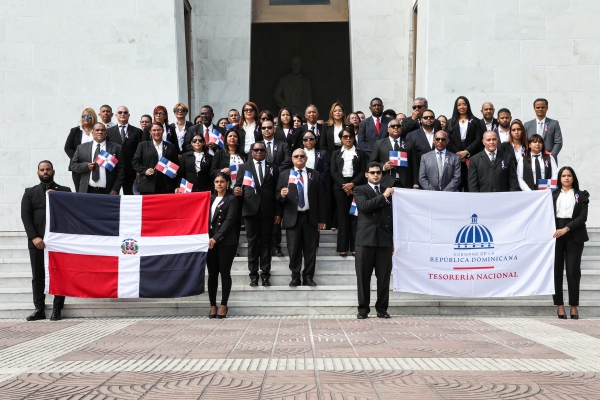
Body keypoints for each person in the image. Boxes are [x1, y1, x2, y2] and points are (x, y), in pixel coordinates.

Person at [21, 161, 71, 321]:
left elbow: (70, 214)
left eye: (48, 169)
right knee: (38, 275)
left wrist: (56, 197)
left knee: (59, 275)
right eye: (42, 170)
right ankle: (39, 309)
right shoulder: (30, 192)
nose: (45, 172)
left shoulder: (64, 191)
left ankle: (57, 309)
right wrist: (34, 237)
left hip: (59, 242)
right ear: (38, 173)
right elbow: (26, 216)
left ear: (53, 171)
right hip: (38, 241)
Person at [234, 142, 281, 287]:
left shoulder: (273, 168)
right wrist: (236, 190)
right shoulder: (244, 167)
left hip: (268, 211)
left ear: (265, 152)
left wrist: (278, 212)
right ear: (251, 152)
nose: (259, 152)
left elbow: (277, 191)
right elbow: (238, 186)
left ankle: (265, 274)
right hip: (250, 210)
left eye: (262, 150)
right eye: (256, 150)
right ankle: (253, 274)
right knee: (252, 243)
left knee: (266, 243)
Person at [277, 149, 326, 286]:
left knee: (310, 249)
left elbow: (321, 198)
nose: (299, 158)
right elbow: (277, 197)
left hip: (310, 217)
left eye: (302, 156)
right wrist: (281, 195)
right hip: (293, 217)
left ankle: (308, 277)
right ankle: (295, 276)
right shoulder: (285, 174)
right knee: (293, 249)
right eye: (296, 156)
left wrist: (322, 219)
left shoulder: (314, 174)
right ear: (292, 159)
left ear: (306, 159)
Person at [354, 162, 394, 319]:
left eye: (378, 172)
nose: (376, 175)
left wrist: (393, 240)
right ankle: (363, 309)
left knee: (384, 277)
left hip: (384, 240)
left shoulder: (388, 190)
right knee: (363, 277)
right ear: (366, 174)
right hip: (365, 240)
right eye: (372, 172)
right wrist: (383, 197)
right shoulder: (360, 189)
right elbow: (364, 206)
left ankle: (382, 308)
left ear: (382, 174)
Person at [553, 167, 589, 320]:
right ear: (559, 178)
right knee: (556, 271)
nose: (566, 178)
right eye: (563, 176)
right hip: (555, 234)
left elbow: (582, 217)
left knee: (573, 270)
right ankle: (560, 306)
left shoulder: (581, 195)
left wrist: (566, 229)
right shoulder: (552, 195)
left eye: (569, 176)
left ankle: (574, 306)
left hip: (574, 233)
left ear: (573, 178)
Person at [207, 172, 239, 319]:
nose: (219, 184)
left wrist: (216, 238)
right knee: (212, 274)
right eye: (216, 181)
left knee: (224, 273)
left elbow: (229, 220)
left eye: (222, 181)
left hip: (226, 241)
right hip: (210, 242)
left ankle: (224, 304)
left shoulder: (232, 199)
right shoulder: (209, 199)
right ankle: (213, 304)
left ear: (227, 183)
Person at [330, 127, 366, 256]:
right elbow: (333, 171)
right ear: (341, 139)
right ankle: (342, 247)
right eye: (345, 136)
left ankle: (355, 246)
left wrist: (352, 184)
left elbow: (363, 171)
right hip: (340, 187)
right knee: (342, 216)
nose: (348, 138)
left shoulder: (360, 153)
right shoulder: (336, 153)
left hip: (355, 186)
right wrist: (344, 185)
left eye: (350, 136)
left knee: (354, 216)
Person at [260, 119, 292, 257]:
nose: (266, 130)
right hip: (263, 185)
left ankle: (276, 246)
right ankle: (263, 246)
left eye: (269, 127)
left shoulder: (283, 145)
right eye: (264, 128)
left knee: (276, 215)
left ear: (274, 129)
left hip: (278, 181)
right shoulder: (257, 146)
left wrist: (273, 170)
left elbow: (288, 160)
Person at [70, 123, 124, 194]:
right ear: (92, 133)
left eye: (102, 130)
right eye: (97, 130)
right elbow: (73, 165)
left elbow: (121, 170)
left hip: (108, 191)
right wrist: (86, 166)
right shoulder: (81, 148)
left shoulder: (116, 148)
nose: (100, 132)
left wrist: (116, 188)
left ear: (106, 133)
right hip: (87, 190)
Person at [369, 120, 419, 189]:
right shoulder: (379, 143)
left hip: (405, 183)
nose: (396, 128)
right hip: (385, 183)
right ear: (388, 129)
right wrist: (383, 167)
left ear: (401, 129)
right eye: (393, 126)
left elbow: (415, 165)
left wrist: (416, 183)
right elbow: (372, 163)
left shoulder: (409, 143)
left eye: (398, 126)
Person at [132, 123, 179, 194]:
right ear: (150, 132)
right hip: (148, 183)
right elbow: (135, 162)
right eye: (154, 130)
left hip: (166, 183)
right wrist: (145, 171)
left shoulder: (171, 147)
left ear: (163, 131)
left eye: (159, 130)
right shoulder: (142, 145)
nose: (156, 132)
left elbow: (176, 163)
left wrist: (174, 171)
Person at [447, 96, 482, 191]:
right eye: (459, 105)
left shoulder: (475, 121)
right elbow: (448, 140)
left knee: (470, 183)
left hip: (471, 156)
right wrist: (458, 154)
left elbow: (478, 139)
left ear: (468, 106)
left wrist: (466, 152)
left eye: (464, 104)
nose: (462, 106)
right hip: (455, 156)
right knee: (455, 183)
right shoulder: (450, 122)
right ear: (456, 107)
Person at [107, 106, 143, 195]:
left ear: (129, 115)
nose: (122, 114)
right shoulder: (109, 132)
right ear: (116, 115)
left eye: (125, 112)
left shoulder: (137, 131)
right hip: (113, 170)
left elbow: (140, 152)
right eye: (120, 112)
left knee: (130, 196)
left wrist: (139, 169)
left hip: (131, 171)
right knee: (112, 197)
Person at [64, 108, 98, 191]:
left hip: (95, 165)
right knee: (80, 191)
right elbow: (67, 147)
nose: (86, 118)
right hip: (79, 166)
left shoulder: (98, 130)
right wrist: (77, 159)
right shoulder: (75, 131)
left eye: (89, 116)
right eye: (84, 116)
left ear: (93, 117)